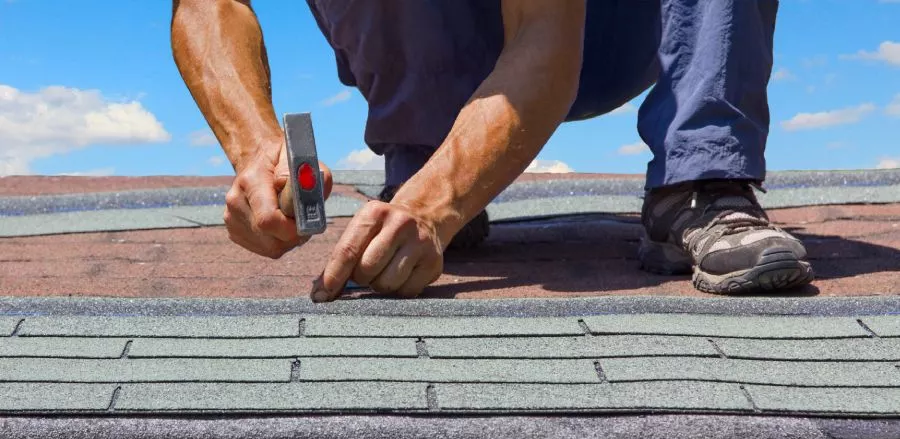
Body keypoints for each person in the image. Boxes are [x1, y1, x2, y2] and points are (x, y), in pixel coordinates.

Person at [171, 0, 814, 301]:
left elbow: (546, 35)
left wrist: (432, 206)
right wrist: (253, 147)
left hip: (621, 26)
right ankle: (428, 152)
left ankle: (700, 177)